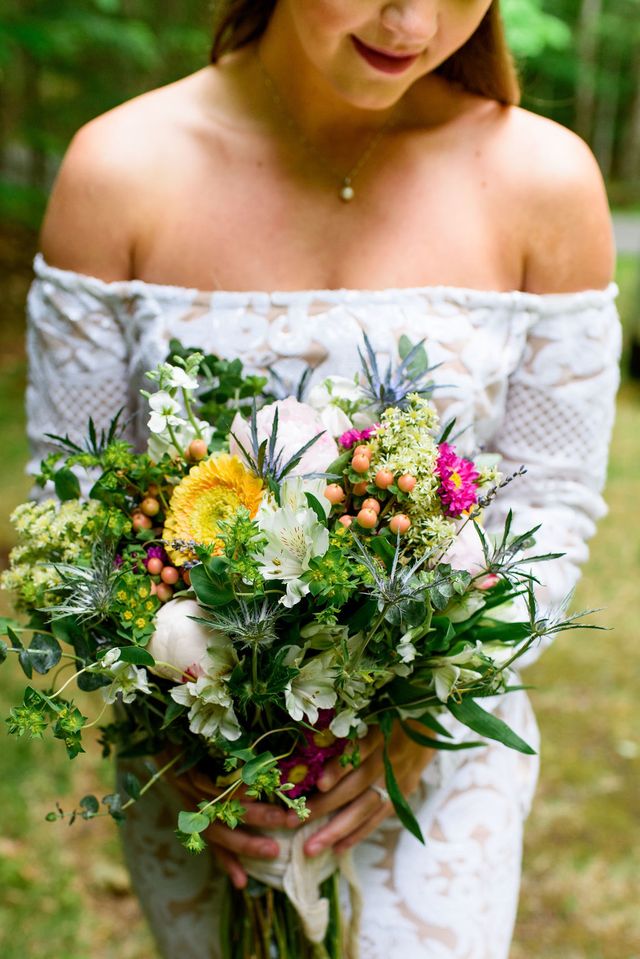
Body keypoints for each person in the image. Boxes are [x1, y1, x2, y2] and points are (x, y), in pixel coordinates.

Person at [26, 2, 621, 956]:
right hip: (198, 763)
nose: (414, 19)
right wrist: (188, 722)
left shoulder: (541, 179)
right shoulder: (120, 171)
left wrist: (420, 714)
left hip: (435, 760)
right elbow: (72, 497)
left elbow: (550, 499)